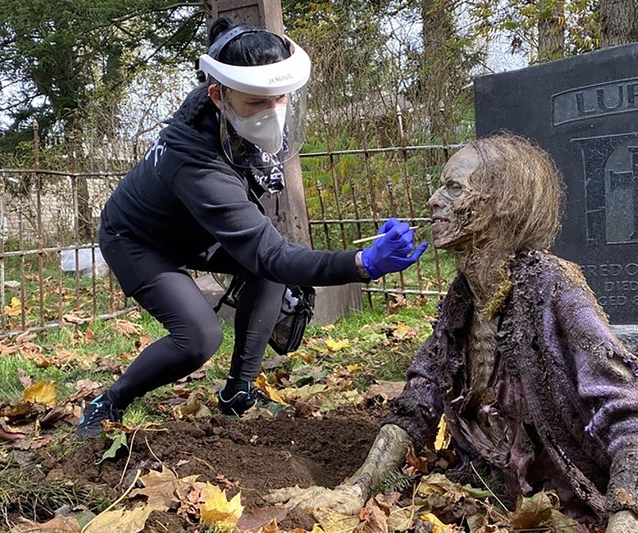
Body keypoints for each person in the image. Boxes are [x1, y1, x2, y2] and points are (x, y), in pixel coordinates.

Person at [265, 133, 638, 533]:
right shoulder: (464, 298)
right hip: (488, 496)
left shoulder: (553, 287)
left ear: (508, 202)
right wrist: (355, 490)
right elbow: (418, 401)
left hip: (567, 509)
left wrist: (630, 516)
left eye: (453, 188)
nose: (433, 200)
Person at [75, 18, 427, 437]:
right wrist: (361, 263)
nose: (272, 113)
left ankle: (237, 393)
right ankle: (108, 402)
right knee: (198, 338)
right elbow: (271, 252)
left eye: (280, 99)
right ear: (218, 97)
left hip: (194, 227)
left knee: (267, 273)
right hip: (138, 238)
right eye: (257, 102)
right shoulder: (194, 162)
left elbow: (267, 256)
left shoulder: (224, 109)